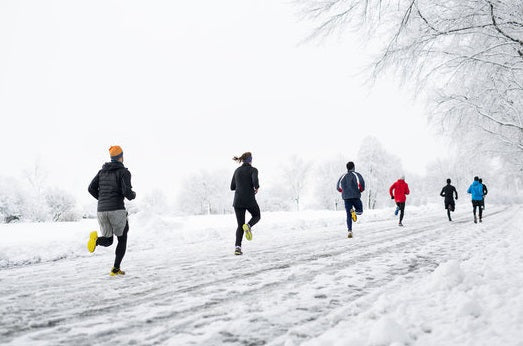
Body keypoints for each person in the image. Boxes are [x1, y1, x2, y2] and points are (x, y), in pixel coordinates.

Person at [87, 145, 136, 276]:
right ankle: (115, 269)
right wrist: (133, 195)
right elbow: (127, 192)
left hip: (101, 211)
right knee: (122, 238)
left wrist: (102, 199)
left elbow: (90, 188)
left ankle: (96, 240)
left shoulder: (101, 172)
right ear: (121, 157)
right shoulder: (124, 172)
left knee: (108, 240)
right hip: (117, 210)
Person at [231, 152, 260, 255]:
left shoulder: (237, 171)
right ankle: (248, 225)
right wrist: (256, 188)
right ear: (250, 160)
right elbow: (255, 182)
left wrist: (241, 184)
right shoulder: (253, 170)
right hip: (249, 200)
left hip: (238, 201)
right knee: (256, 215)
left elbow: (232, 187)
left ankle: (237, 248)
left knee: (240, 225)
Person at [336, 161, 365, 238]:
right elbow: (362, 185)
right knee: (360, 210)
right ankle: (354, 212)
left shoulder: (342, 176)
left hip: (346, 198)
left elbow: (338, 187)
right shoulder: (357, 175)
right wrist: (360, 190)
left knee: (348, 215)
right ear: (354, 167)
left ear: (347, 168)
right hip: (355, 196)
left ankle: (349, 231)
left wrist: (344, 191)